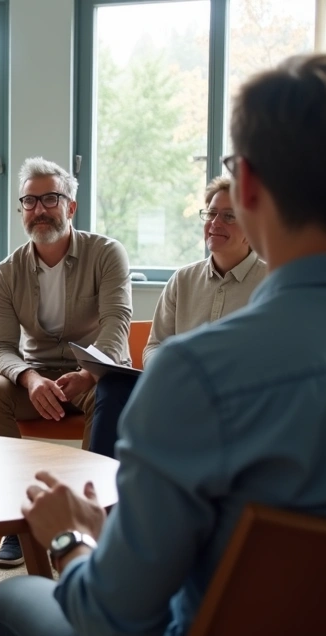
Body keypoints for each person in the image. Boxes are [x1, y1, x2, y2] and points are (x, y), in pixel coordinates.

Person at [0, 54, 326, 636]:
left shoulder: (194, 375)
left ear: (246, 186)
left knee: (13, 600)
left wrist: (75, 538)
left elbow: (110, 619)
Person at [0, 156, 132, 568]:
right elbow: (0, 347)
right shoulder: (7, 272)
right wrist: (28, 379)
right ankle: (15, 519)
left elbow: (118, 325)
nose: (39, 209)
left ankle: (87, 515)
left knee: (111, 393)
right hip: (39, 378)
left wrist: (87, 373)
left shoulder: (107, 254)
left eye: (50, 199)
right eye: (29, 201)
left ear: (71, 207)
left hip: (96, 375)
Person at [88, 177, 267, 458]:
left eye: (229, 216)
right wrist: (172, 374)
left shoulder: (270, 282)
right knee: (113, 386)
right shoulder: (182, 279)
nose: (215, 222)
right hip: (176, 388)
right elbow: (154, 345)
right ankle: (98, 493)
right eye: (211, 213)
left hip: (236, 396)